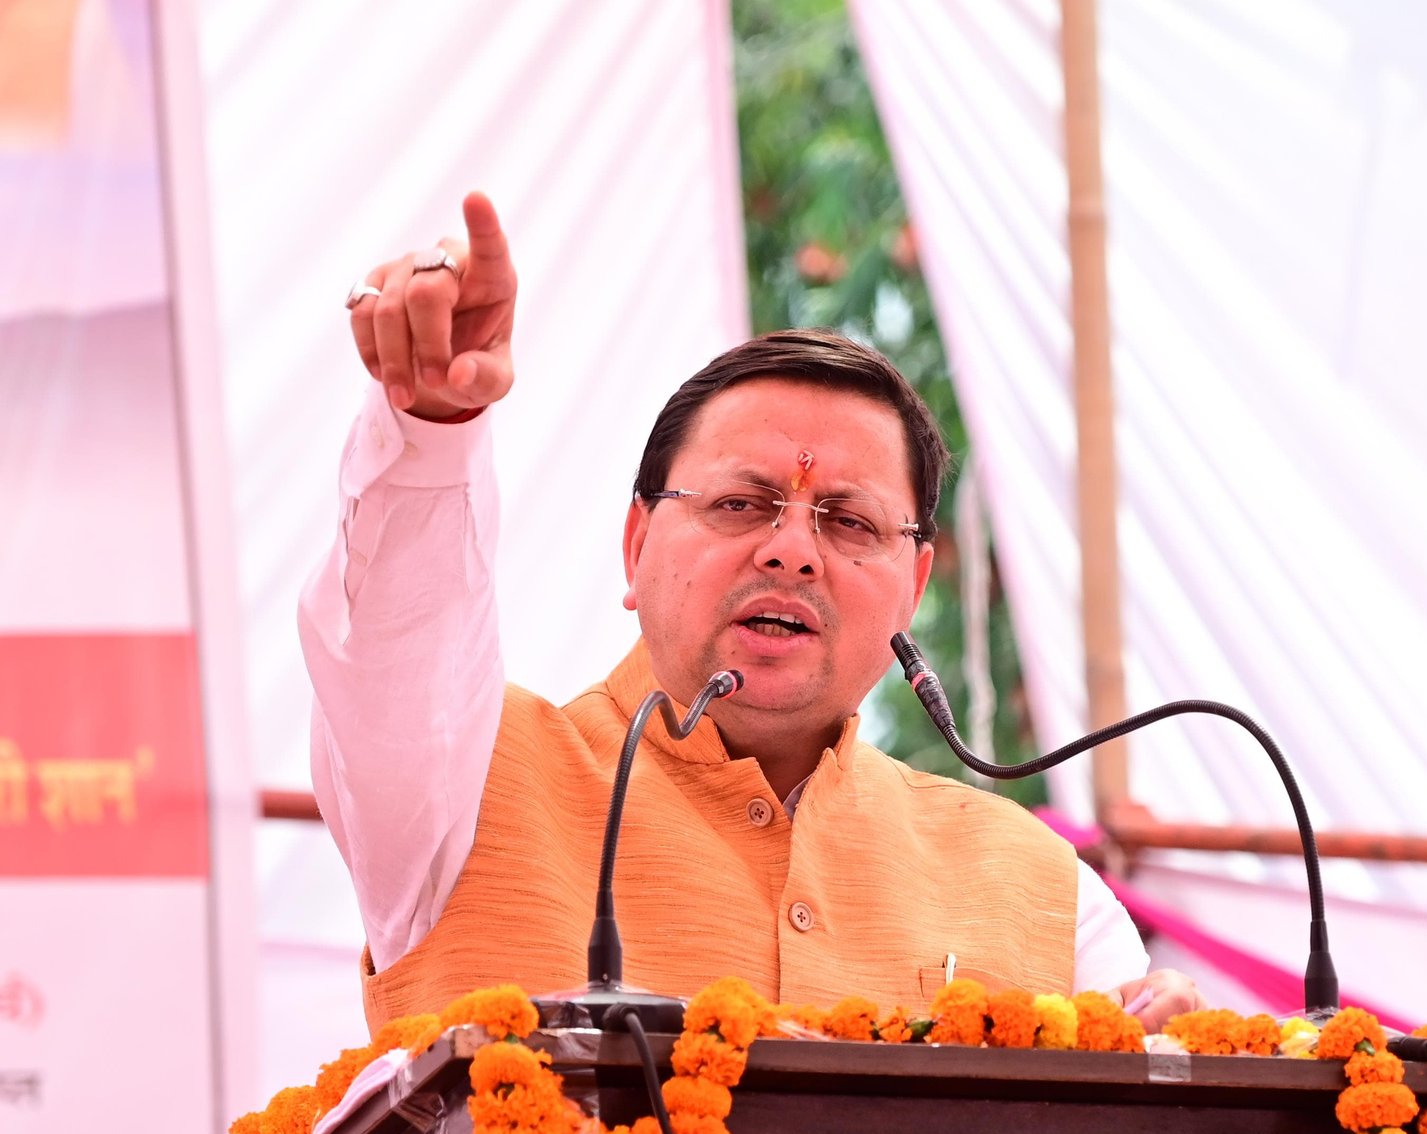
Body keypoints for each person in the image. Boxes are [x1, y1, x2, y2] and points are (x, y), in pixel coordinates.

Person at [302, 191, 1204, 1036]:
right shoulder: (456, 790)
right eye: (740, 504)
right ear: (636, 545)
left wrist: (1175, 1057)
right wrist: (433, 427)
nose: (793, 551)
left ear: (915, 586)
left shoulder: (1048, 892)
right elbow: (396, 644)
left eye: (849, 522)